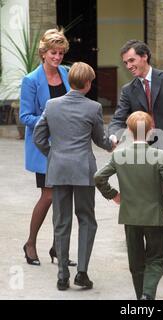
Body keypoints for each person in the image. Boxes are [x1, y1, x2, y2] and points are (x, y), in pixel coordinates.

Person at [108, 40, 163, 275]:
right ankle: (158, 255)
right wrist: (113, 136)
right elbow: (118, 118)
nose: (128, 66)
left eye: (132, 60)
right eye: (125, 62)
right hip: (144, 157)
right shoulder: (129, 90)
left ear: (144, 56)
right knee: (151, 205)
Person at [33, 62, 113, 290]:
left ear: (70, 81)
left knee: (61, 221)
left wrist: (54, 155)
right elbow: (100, 140)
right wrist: (112, 143)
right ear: (88, 83)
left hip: (58, 169)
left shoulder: (52, 104)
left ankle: (61, 275)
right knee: (86, 218)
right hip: (83, 169)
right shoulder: (94, 107)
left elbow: (38, 137)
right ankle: (82, 273)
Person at [95, 111, 163, 300]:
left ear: (129, 132)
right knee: (157, 258)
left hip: (130, 216)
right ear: (151, 131)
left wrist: (114, 195)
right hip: (154, 215)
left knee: (136, 262)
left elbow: (99, 177)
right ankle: (148, 295)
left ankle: (141, 296)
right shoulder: (159, 155)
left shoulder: (120, 155)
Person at [19, 28, 76, 266]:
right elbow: (25, 116)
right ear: (44, 52)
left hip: (68, 146)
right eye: (53, 52)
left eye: (61, 53)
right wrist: (50, 122)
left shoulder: (66, 73)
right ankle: (30, 243)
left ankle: (58, 249)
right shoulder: (31, 80)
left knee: (64, 198)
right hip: (44, 148)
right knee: (50, 195)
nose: (57, 57)